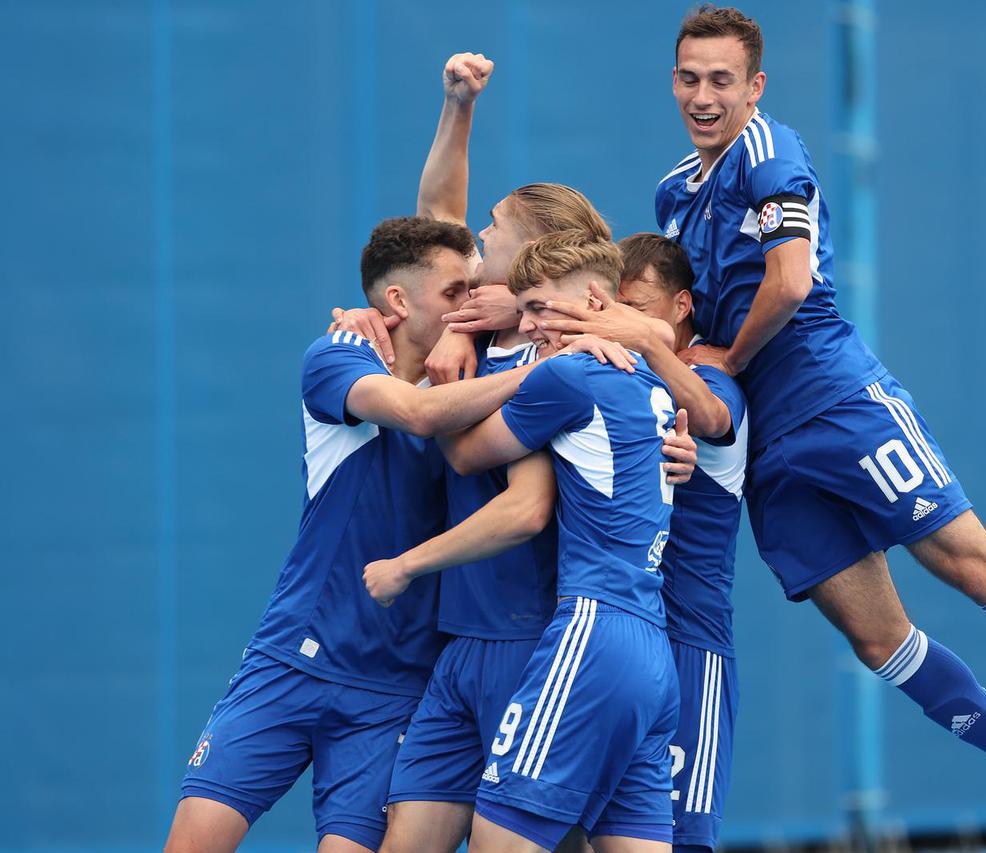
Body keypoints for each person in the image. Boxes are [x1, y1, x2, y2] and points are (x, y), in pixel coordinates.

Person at [649, 5, 986, 849]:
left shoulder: (769, 152)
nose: (704, 96)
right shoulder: (674, 193)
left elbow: (789, 285)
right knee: (877, 639)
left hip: (836, 402)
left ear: (755, 87)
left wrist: (720, 355)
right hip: (767, 454)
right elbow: (668, 316)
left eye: (723, 80)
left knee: (975, 567)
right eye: (690, 78)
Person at [165, 217, 615, 853]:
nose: (470, 307)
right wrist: (554, 369)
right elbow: (417, 412)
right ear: (398, 302)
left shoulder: (476, 378)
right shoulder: (340, 356)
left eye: (476, 291)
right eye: (456, 294)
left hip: (397, 685)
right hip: (295, 653)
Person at [333, 53, 688, 853]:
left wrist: (437, 395)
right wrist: (458, 105)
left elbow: (519, 496)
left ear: (534, 258)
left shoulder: (553, 357)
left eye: (492, 233)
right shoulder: (495, 329)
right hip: (464, 639)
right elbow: (435, 224)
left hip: (541, 635)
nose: (476, 240)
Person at [388, 230, 684, 853]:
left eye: (542, 309)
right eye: (525, 310)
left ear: (599, 304)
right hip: (652, 650)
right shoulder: (655, 382)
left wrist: (447, 381)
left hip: (591, 632)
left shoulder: (570, 374)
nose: (531, 326)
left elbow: (466, 452)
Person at [536, 233, 746, 853]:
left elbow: (710, 418)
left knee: (680, 840)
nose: (621, 323)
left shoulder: (708, 377)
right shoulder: (600, 371)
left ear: (681, 306)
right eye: (611, 308)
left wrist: (647, 345)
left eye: (638, 308)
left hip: (690, 646)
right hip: (610, 638)